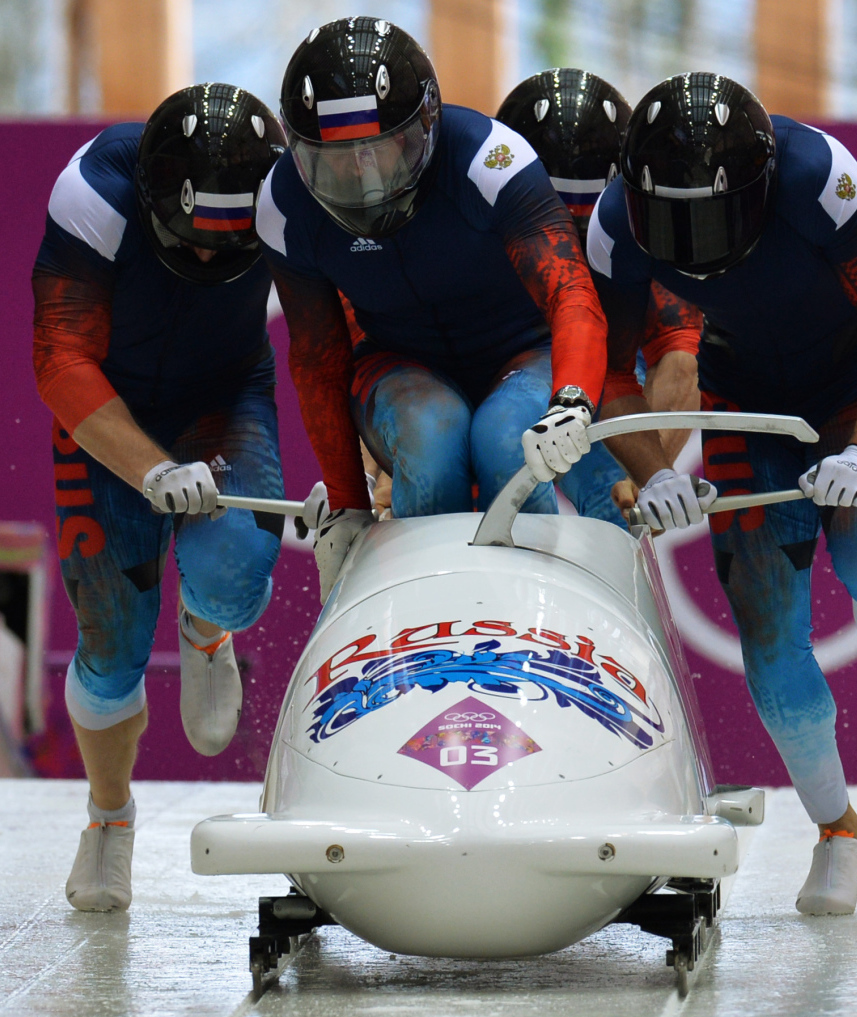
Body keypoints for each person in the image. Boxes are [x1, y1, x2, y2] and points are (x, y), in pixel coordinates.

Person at [587, 73, 857, 914]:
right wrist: (656, 468)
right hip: (742, 403)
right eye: (672, 222)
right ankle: (839, 830)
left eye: (709, 217)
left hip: (851, 384)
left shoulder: (821, 177)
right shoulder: (614, 224)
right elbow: (602, 367)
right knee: (772, 640)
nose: (692, 243)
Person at [32, 84, 287, 911]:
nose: (211, 260)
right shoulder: (92, 193)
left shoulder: (295, 195)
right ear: (153, 202)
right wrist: (146, 467)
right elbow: (60, 361)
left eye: (231, 243)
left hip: (224, 397)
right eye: (193, 241)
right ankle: (110, 819)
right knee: (110, 648)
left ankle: (207, 628)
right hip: (108, 409)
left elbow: (338, 335)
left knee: (237, 580)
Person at [255, 18, 606, 603]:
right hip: (396, 361)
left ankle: (542, 611)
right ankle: (422, 619)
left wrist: (570, 398)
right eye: (339, 159)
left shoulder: (491, 162)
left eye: (382, 151)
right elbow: (319, 359)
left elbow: (570, 294)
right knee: (430, 437)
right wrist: (348, 503)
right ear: (300, 153)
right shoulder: (284, 204)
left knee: (505, 441)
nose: (366, 182)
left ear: (426, 126)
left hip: (524, 349)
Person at [495, 67, 701, 527]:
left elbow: (681, 361)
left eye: (587, 226)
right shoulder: (468, 221)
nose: (569, 248)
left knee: (614, 502)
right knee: (484, 463)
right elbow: (404, 346)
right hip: (499, 367)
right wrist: (374, 475)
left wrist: (652, 475)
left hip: (603, 371)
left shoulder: (641, 229)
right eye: (554, 225)